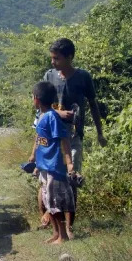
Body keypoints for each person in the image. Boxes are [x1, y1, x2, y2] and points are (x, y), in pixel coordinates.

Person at [42, 38, 106, 230]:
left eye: (57, 58)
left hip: (74, 136)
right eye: (52, 58)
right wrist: (58, 113)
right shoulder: (49, 76)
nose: (53, 62)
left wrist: (100, 133)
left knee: (71, 179)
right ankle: (55, 224)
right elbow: (42, 106)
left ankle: (69, 227)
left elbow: (93, 105)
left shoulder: (83, 77)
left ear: (70, 57)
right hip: (53, 138)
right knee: (50, 181)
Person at [28, 81, 75, 244]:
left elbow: (64, 138)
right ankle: (56, 233)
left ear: (36, 99)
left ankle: (63, 236)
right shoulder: (41, 116)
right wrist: (33, 157)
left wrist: (69, 162)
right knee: (48, 201)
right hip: (43, 166)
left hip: (53, 166)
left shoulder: (52, 117)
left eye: (32, 97)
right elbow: (39, 139)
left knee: (55, 203)